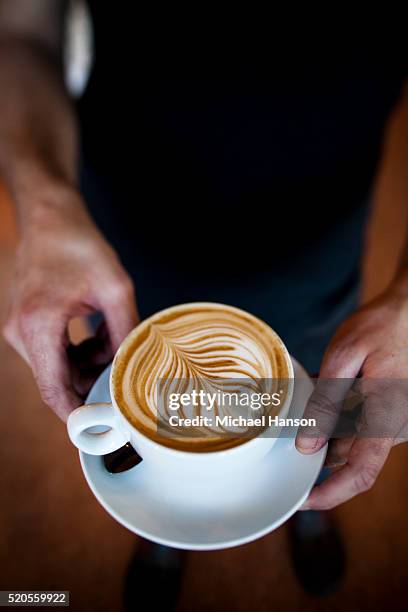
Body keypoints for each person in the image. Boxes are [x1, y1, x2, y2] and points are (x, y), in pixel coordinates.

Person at [1, 0, 408, 604]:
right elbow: (19, 32)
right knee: (154, 408)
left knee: (326, 402)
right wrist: (43, 202)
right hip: (117, 245)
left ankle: (303, 500)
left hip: (317, 236)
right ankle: (170, 528)